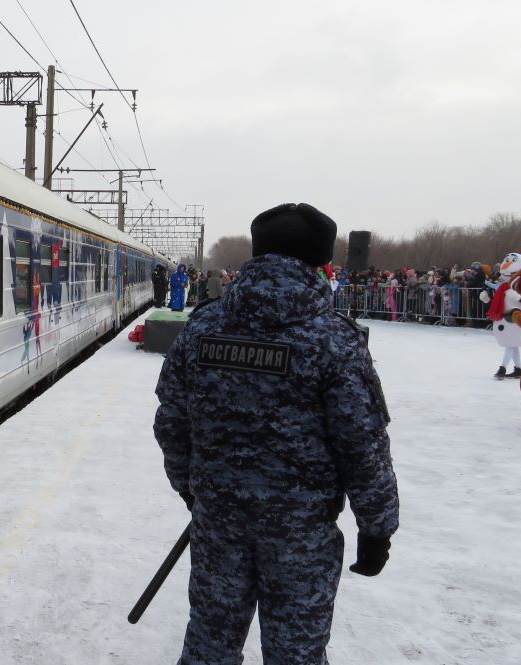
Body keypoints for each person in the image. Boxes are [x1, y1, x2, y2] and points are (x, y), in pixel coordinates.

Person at [154, 203, 400, 665]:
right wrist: (377, 528)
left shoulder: (203, 327)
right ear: (322, 262)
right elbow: (363, 447)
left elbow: (172, 421)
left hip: (218, 521)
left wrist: (194, 491)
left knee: (209, 643)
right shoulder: (334, 341)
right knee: (296, 653)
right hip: (300, 536)